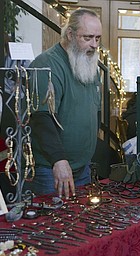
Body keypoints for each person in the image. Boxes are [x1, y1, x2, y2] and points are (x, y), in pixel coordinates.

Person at [24, 8, 102, 199]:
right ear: (70, 34)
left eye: (98, 38)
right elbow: (41, 119)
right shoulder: (47, 63)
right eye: (88, 37)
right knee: (53, 227)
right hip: (53, 170)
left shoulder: (90, 65)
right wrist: (59, 160)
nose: (94, 45)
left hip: (82, 168)